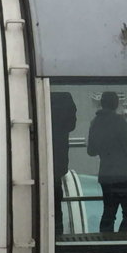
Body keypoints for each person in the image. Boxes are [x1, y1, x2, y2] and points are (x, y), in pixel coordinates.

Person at [86, 91, 127, 234]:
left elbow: (91, 151)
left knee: (109, 213)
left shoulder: (95, 123)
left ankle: (106, 244)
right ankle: (123, 244)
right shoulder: (119, 121)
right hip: (125, 176)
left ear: (101, 103)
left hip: (106, 175)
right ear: (116, 104)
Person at [50, 90, 77, 228]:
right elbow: (71, 125)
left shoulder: (45, 98)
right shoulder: (66, 98)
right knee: (56, 203)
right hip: (58, 161)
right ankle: (57, 232)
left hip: (43, 160)